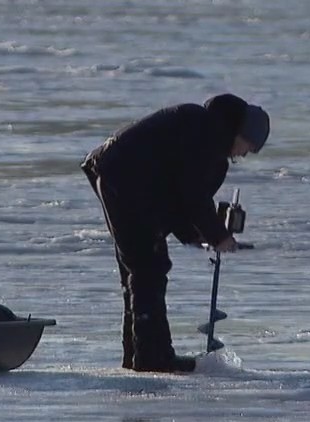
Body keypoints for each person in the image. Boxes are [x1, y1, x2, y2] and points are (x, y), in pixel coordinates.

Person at [80, 94, 270, 373]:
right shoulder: (204, 134)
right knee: (148, 267)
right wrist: (219, 236)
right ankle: (152, 358)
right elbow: (191, 194)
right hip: (122, 176)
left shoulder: (207, 136)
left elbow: (177, 197)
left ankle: (138, 355)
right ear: (239, 132)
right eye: (248, 146)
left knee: (139, 268)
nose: (244, 154)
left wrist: (195, 235)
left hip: (117, 173)